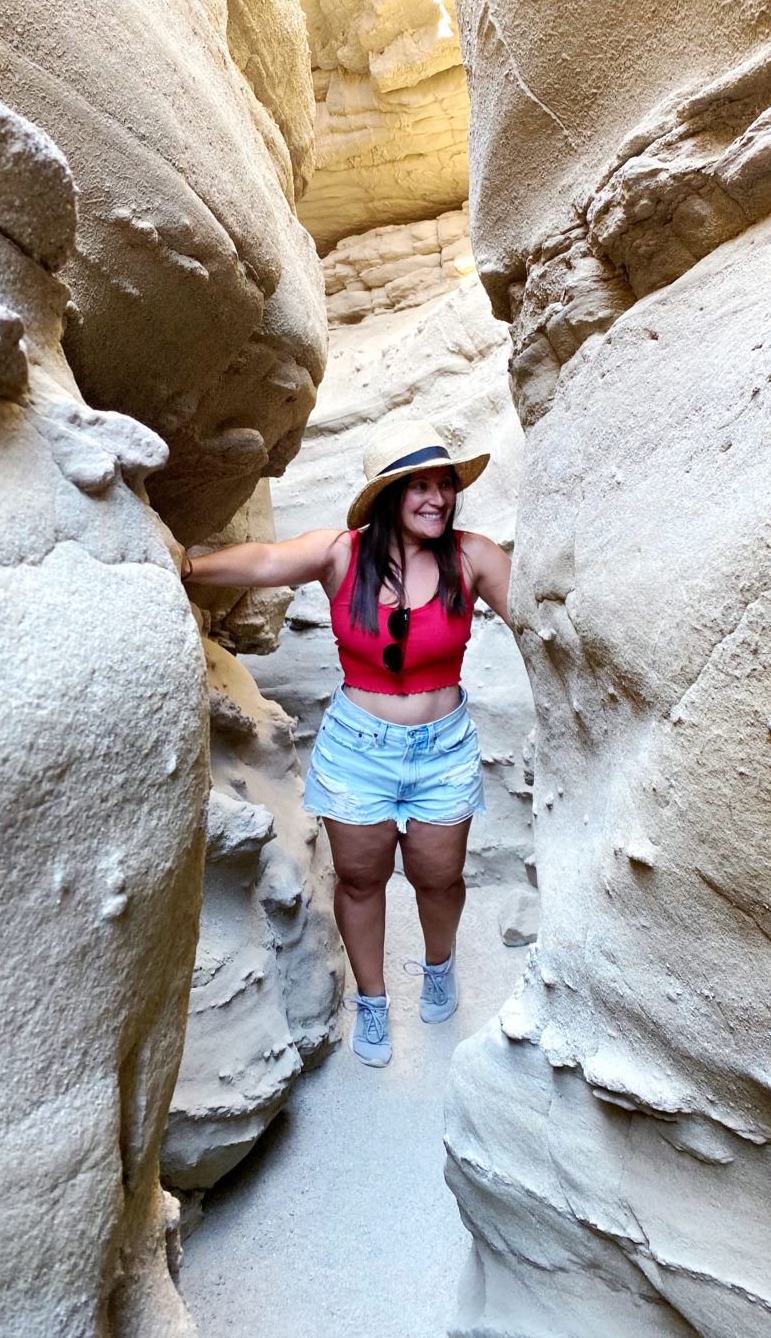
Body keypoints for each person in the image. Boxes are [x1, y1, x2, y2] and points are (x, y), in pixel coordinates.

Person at [181, 419, 514, 1067]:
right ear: (389, 494)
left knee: (437, 877)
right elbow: (269, 561)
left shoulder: (472, 556)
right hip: (358, 747)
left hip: (442, 748)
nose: (438, 499)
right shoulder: (343, 553)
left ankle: (439, 965)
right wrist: (186, 565)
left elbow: (537, 614)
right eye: (420, 486)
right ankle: (372, 1000)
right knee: (361, 879)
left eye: (445, 485)